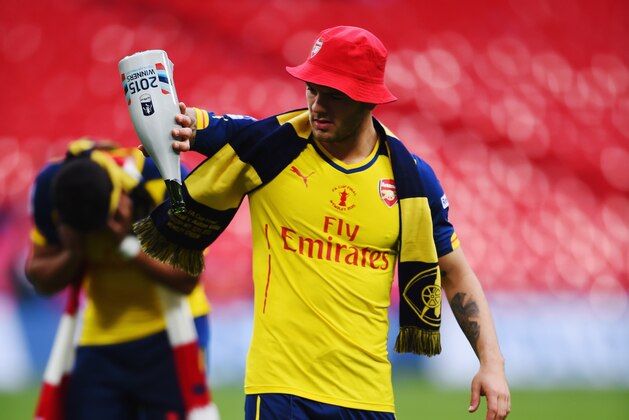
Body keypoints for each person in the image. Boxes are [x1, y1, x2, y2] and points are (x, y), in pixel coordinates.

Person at [136, 26, 510, 419]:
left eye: (334, 95)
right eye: (312, 89)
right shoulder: (269, 146)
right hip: (280, 391)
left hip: (368, 398)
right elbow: (195, 125)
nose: (317, 105)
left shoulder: (411, 181)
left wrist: (492, 365)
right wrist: (168, 131)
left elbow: (454, 273)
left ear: (369, 101)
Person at [25, 139, 220, 420]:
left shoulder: (166, 178)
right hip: (102, 337)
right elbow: (41, 279)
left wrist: (128, 241)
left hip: (172, 331)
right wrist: (73, 251)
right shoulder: (51, 187)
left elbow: (187, 278)